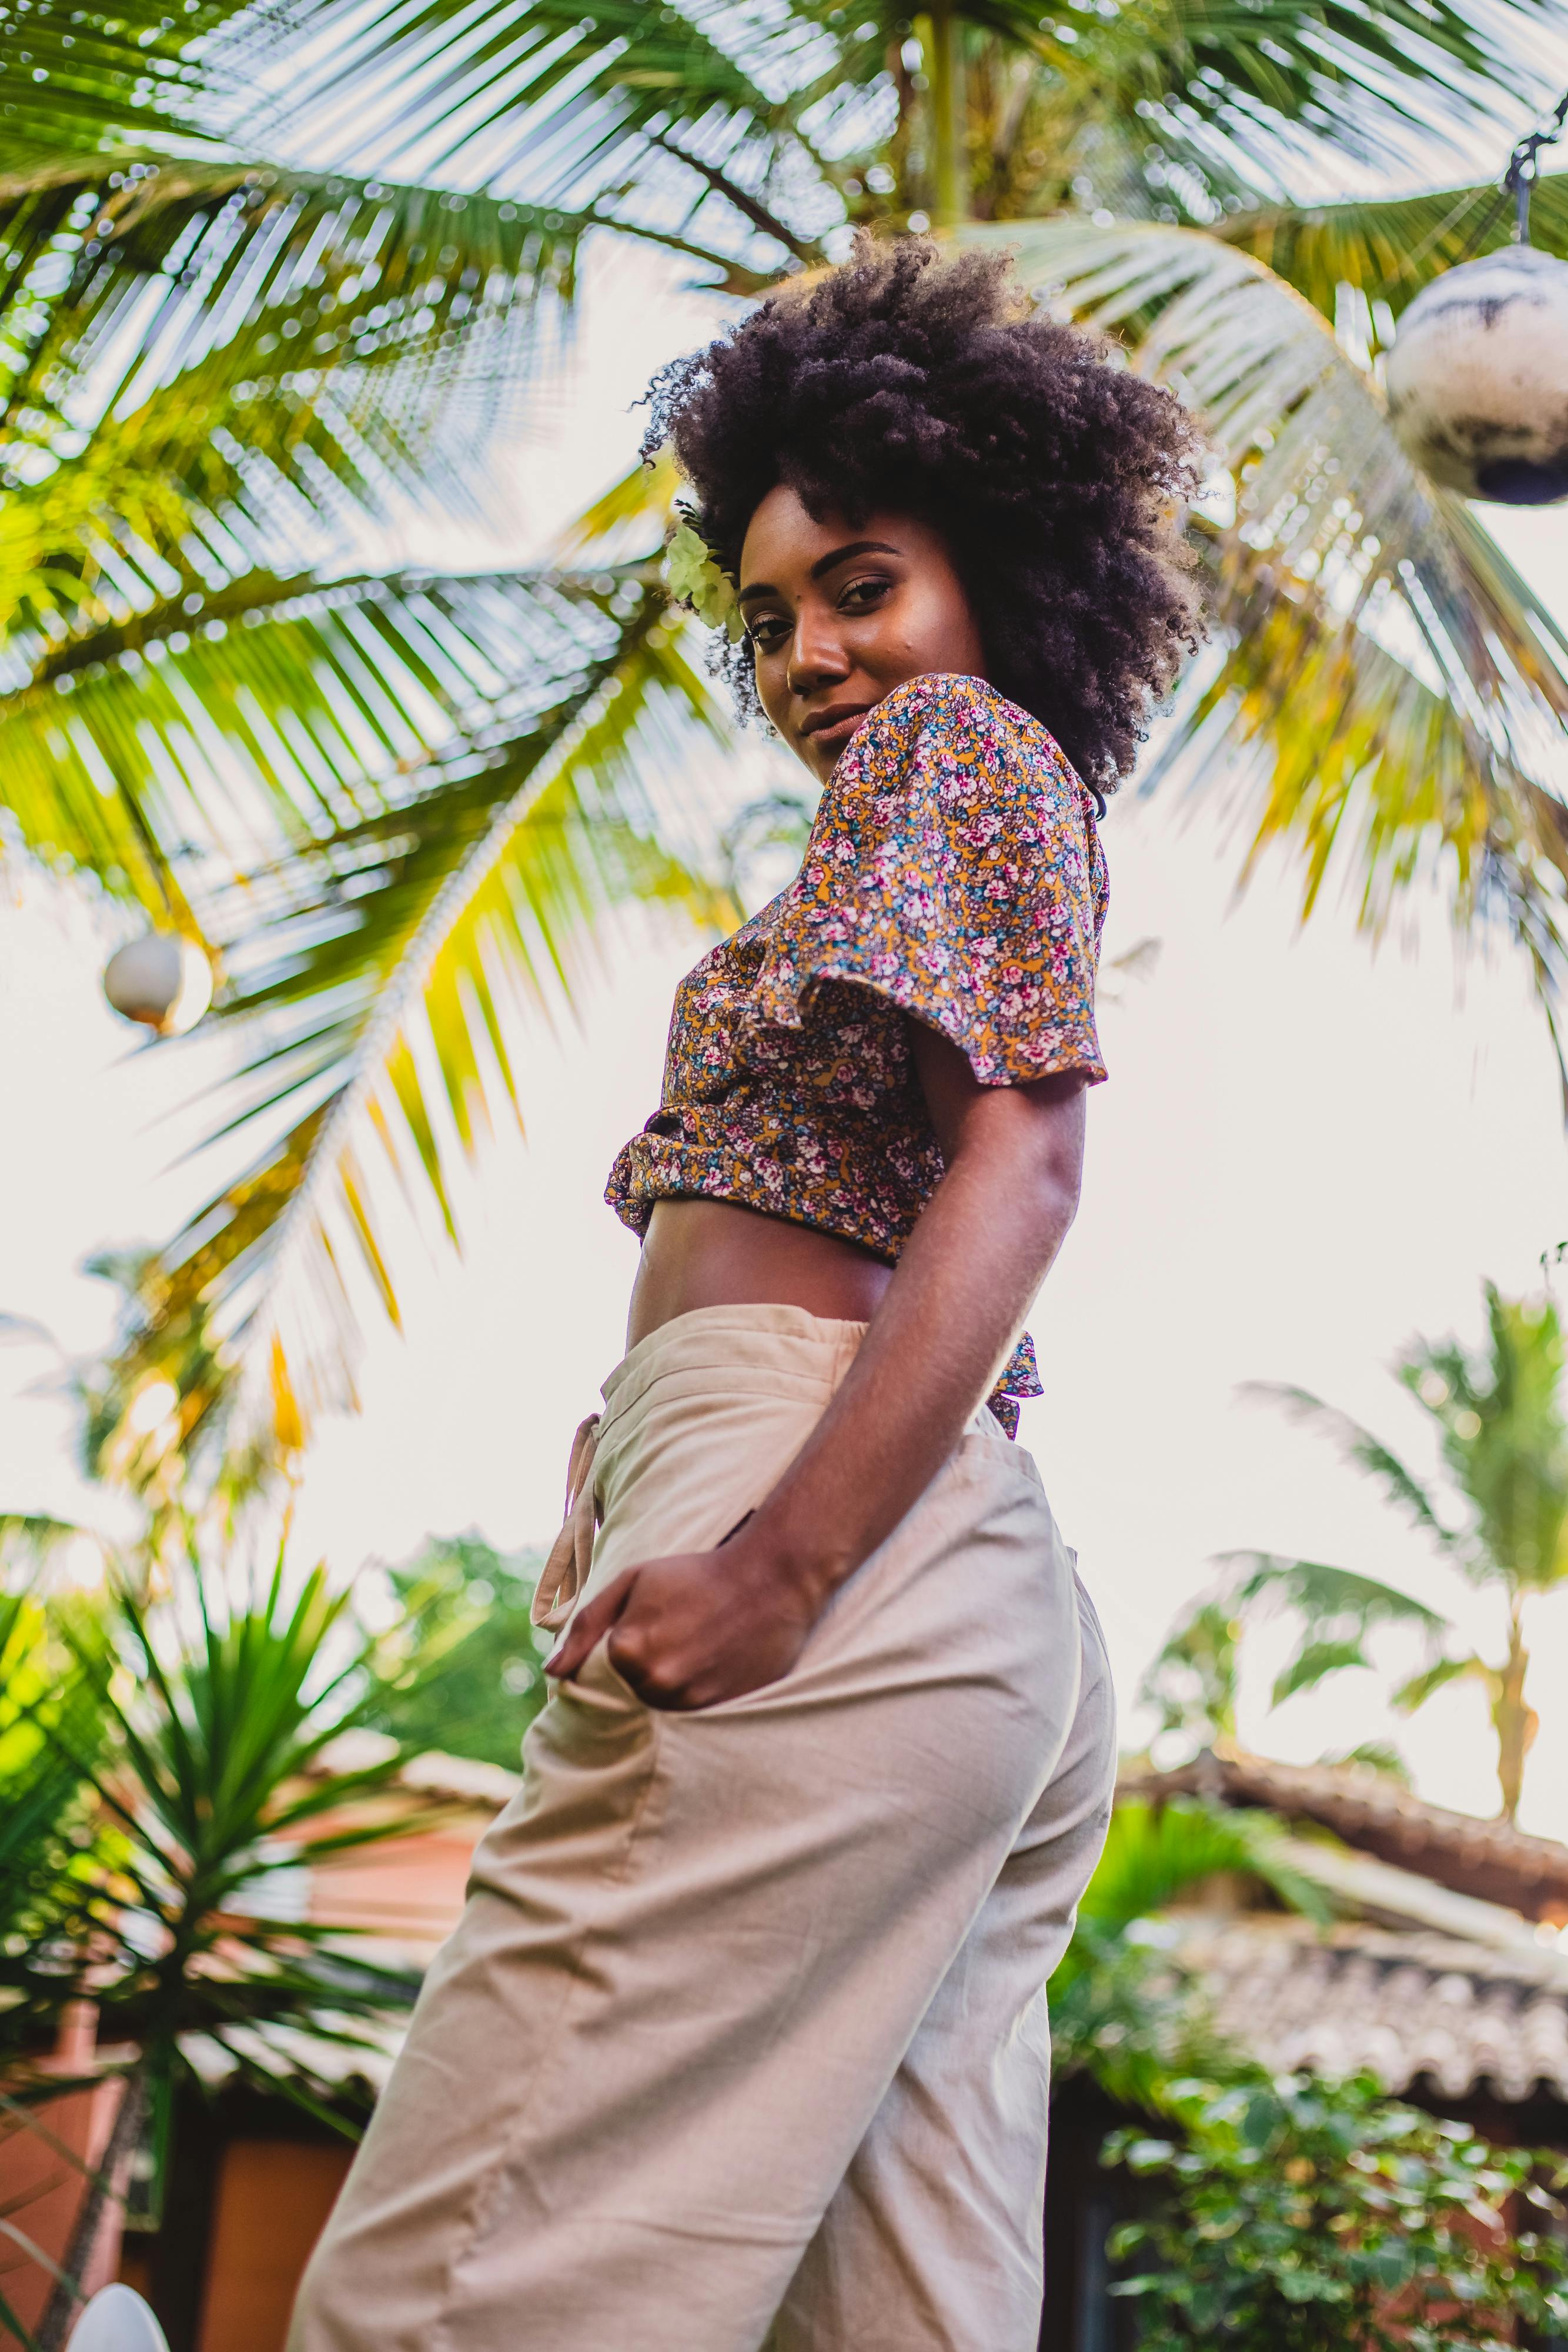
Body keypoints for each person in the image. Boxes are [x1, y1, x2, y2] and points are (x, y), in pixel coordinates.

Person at [289, 236, 1201, 2352]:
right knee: (893, 2302)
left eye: (859, 581)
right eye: (771, 614)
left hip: (842, 1536)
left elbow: (1028, 1161)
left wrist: (781, 1554)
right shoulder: (966, 804)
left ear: (1000, 569)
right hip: (958, 1583)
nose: (808, 653)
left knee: (470, 2262)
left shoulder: (962, 750)